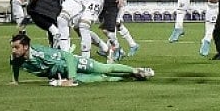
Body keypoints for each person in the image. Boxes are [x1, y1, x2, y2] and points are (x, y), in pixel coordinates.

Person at [9, 33, 153, 85]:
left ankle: (137, 70)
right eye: (13, 47)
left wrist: (71, 79)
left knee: (103, 69)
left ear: (26, 47)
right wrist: (15, 80)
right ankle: (131, 77)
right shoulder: (16, 58)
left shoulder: (42, 53)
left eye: (16, 47)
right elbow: (15, 65)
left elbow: (68, 56)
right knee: (102, 78)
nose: (14, 51)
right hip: (64, 74)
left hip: (73, 64)